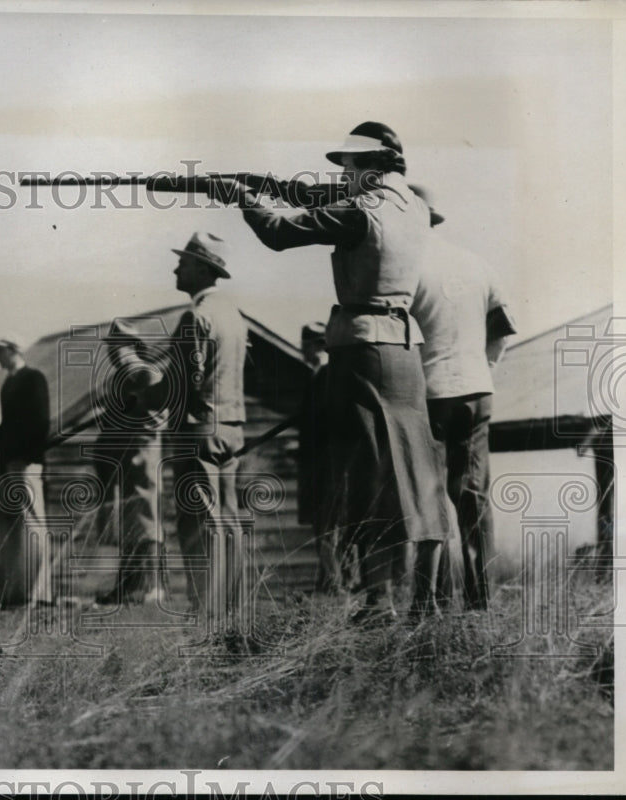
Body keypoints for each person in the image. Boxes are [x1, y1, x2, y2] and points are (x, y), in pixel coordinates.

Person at [211, 121, 452, 622]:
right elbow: (316, 196)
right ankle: (425, 599)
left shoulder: (361, 210)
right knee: (414, 474)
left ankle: (378, 600)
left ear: (368, 167)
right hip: (404, 350)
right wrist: (272, 185)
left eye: (347, 167)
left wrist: (241, 195)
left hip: (363, 348)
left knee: (366, 474)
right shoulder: (410, 205)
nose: (342, 177)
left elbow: (278, 234)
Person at [409, 184, 517, 611]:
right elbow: (502, 328)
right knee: (473, 498)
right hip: (475, 390)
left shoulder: (402, 266)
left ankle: (431, 600)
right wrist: (483, 367)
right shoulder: (476, 263)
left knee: (428, 495)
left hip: (426, 392)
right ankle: (479, 599)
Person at [165, 232, 249, 637]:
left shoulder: (195, 317)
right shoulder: (234, 314)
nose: (176, 269)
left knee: (200, 525)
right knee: (228, 521)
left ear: (202, 268)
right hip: (231, 429)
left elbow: (184, 383)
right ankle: (230, 611)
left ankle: (207, 617)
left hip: (197, 431)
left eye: (183, 262)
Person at [92, 321, 170, 606]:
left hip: (142, 457)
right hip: (122, 461)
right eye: (111, 348)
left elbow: (153, 421)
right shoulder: (119, 379)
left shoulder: (146, 374)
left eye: (117, 347)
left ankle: (150, 588)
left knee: (145, 521)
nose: (113, 353)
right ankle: (128, 586)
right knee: (127, 524)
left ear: (131, 346)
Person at [0, 335, 53, 607]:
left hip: (25, 463)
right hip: (7, 463)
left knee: (32, 524)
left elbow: (39, 425)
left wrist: (20, 452)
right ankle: (14, 593)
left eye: (0, 350)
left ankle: (37, 592)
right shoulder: (8, 383)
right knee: (10, 529)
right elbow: (12, 425)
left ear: (14, 350)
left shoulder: (33, 379)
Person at [297, 321, 349, 595]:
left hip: (329, 467)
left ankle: (335, 585)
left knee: (328, 529)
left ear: (317, 345)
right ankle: (329, 583)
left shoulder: (328, 376)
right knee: (325, 528)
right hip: (318, 466)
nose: (301, 350)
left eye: (305, 344)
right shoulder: (317, 376)